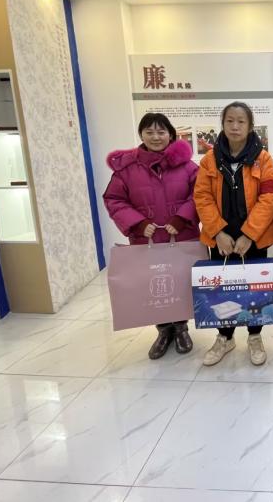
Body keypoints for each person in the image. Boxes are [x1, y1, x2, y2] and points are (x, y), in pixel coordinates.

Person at [103, 112, 200, 360]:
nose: (156, 137)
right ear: (141, 135)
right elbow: (114, 199)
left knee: (180, 282)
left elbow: (200, 194)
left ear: (171, 135)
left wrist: (182, 217)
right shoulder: (126, 169)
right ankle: (163, 330)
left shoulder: (188, 167)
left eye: (161, 132)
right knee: (153, 285)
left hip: (182, 236)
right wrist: (137, 223)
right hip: (145, 239)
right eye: (149, 132)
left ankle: (181, 329)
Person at [194, 102, 273, 367]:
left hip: (254, 237)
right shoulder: (209, 160)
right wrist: (217, 232)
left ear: (250, 126)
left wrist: (249, 234)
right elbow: (202, 197)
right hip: (220, 239)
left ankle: (254, 336)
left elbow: (269, 198)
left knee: (254, 288)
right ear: (222, 124)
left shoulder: (263, 159)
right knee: (222, 289)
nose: (235, 126)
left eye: (241, 121)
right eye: (230, 120)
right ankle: (225, 337)